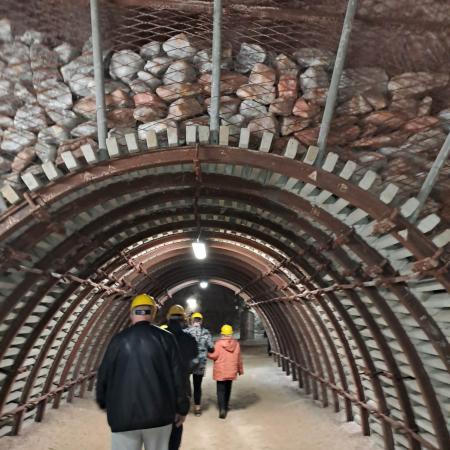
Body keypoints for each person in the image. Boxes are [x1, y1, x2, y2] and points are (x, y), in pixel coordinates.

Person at [96, 294, 190, 450]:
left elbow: (104, 375)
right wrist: (182, 408)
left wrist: (103, 401)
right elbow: (179, 377)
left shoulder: (118, 340)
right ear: (153, 314)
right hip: (159, 416)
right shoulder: (167, 339)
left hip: (123, 417)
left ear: (131, 313)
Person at [166, 305, 199, 450]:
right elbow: (194, 363)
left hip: (158, 392)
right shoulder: (189, 339)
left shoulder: (158, 337)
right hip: (181, 390)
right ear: (184, 320)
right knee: (176, 428)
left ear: (168, 318)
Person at [207, 324, 243, 419]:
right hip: (231, 371)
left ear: (222, 333)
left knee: (220, 391)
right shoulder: (236, 344)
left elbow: (214, 356)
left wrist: (207, 354)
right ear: (231, 333)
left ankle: (222, 409)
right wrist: (240, 370)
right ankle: (226, 406)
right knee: (228, 389)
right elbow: (239, 358)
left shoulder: (218, 343)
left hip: (220, 371)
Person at [184, 311, 213, 416]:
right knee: (197, 386)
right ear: (201, 321)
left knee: (185, 385)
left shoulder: (186, 332)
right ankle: (197, 408)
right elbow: (211, 348)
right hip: (200, 363)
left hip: (187, 362)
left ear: (192, 320)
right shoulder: (206, 332)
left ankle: (185, 407)